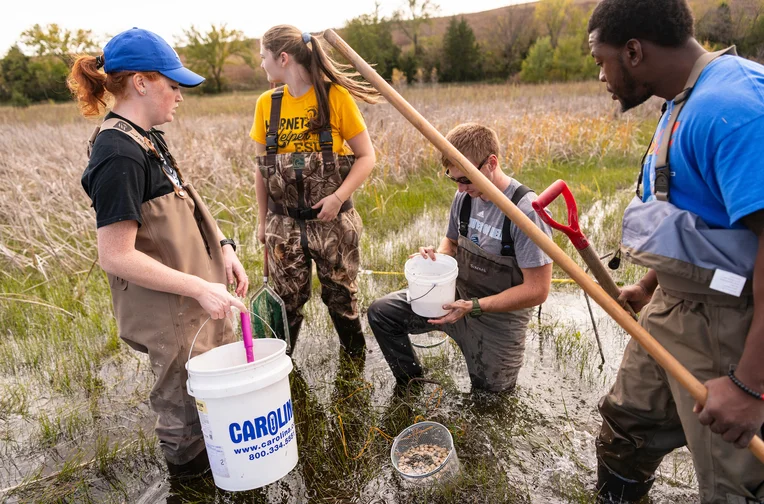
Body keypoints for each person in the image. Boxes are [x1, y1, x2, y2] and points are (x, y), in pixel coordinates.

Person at [587, 1, 764, 502]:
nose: (601, 75)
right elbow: (698, 219)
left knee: (734, 484)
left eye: (601, 60)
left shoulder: (736, 108)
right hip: (673, 309)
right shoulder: (684, 101)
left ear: (634, 51)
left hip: (730, 329)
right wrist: (648, 285)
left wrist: (750, 385)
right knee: (625, 430)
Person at [69, 28, 249, 477]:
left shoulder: (146, 136)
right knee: (184, 414)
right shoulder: (118, 153)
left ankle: (223, 469)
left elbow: (183, 204)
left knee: (212, 397)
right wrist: (199, 287)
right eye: (172, 85)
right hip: (171, 311)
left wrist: (223, 247)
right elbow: (116, 255)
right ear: (141, 82)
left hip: (195, 297)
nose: (179, 96)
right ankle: (189, 483)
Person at [367, 123, 553, 393]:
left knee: (490, 400)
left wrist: (475, 306)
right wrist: (437, 259)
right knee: (382, 313)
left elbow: (538, 290)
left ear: (491, 163)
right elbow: (451, 242)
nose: (461, 188)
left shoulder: (525, 211)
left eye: (465, 179)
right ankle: (412, 385)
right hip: (452, 299)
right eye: (453, 179)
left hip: (498, 321)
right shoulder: (464, 198)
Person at [251, 25, 379, 358]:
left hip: (334, 223)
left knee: (341, 296)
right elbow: (262, 169)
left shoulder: (335, 96)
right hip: (284, 226)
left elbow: (367, 157)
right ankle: (281, 369)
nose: (261, 64)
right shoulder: (267, 104)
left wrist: (338, 198)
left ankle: (355, 366)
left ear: (282, 58)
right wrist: (262, 221)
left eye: (263, 57)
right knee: (287, 301)